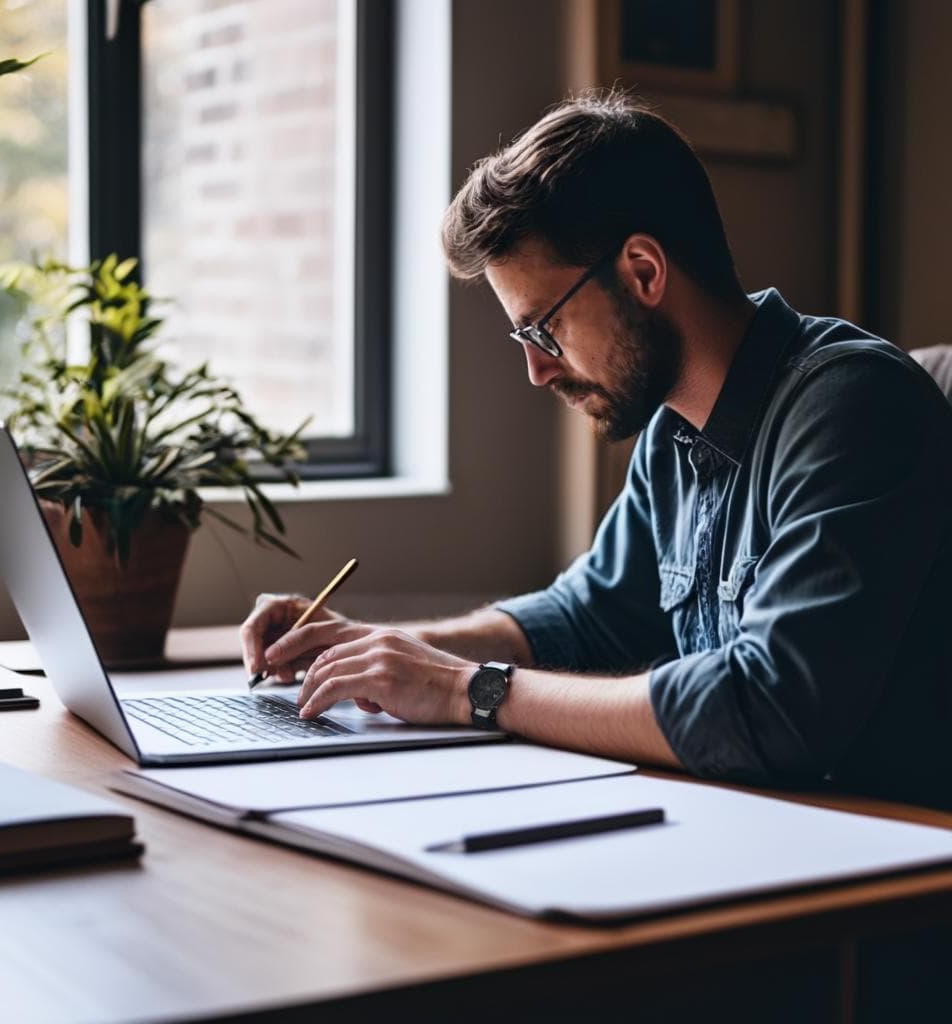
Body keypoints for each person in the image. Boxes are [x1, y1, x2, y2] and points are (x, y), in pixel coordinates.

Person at [240, 92, 952, 807]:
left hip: (892, 869)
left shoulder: (853, 406)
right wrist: (377, 650)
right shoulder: (675, 431)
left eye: (543, 330)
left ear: (644, 271)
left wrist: (466, 690)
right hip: (763, 833)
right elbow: (582, 618)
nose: (538, 370)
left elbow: (770, 707)